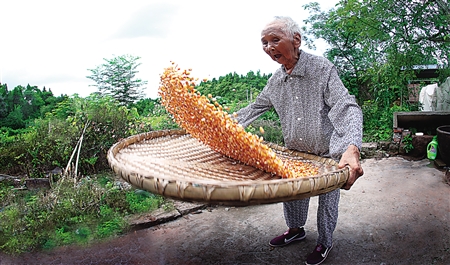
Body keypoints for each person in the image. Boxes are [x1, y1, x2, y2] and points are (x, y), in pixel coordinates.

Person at [235, 16, 364, 265]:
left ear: (296, 40)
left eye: (275, 40)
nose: (269, 47)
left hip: (326, 155)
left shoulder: (321, 69)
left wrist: (352, 147)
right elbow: (256, 107)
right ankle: (296, 231)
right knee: (293, 196)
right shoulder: (276, 80)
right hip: (294, 153)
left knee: (327, 202)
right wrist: (222, 123)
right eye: (264, 43)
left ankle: (324, 242)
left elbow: (346, 106)